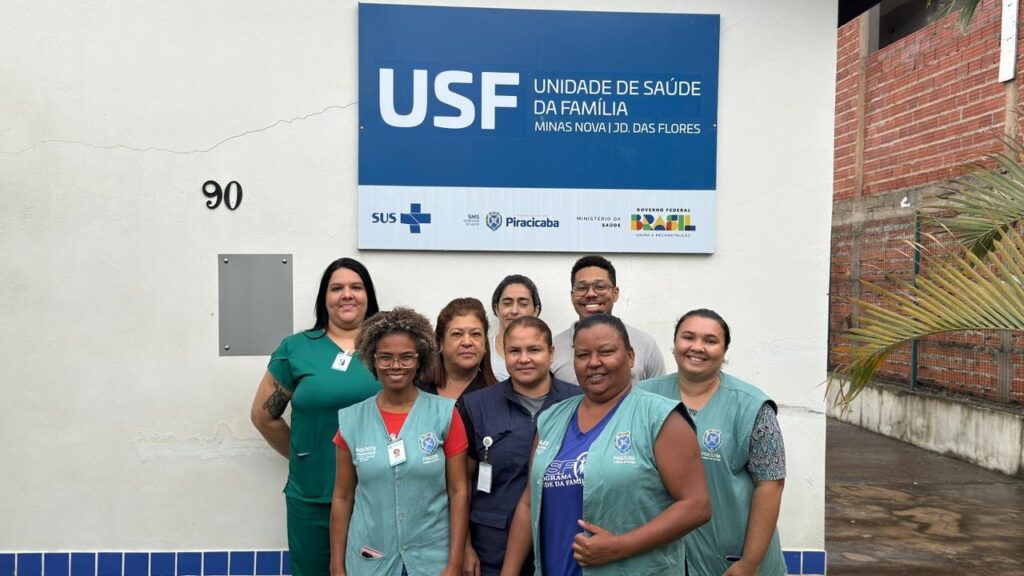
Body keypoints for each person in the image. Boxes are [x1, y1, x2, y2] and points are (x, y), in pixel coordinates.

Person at [501, 314, 710, 576]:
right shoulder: (551, 419)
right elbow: (529, 503)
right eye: (583, 354)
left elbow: (697, 506)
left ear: (630, 356)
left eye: (606, 352)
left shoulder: (659, 418)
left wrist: (620, 546)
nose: (594, 363)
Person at [250, 257, 382, 576]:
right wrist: (302, 455)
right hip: (313, 496)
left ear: (369, 296)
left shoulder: (388, 349)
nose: (347, 294)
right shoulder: (297, 349)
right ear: (325, 298)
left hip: (375, 497)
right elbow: (263, 416)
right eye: (337, 288)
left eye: (356, 287)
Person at [638, 309, 787, 576]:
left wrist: (749, 563)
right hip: (661, 554)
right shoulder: (642, 397)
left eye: (710, 340)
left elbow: (771, 485)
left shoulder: (752, 406)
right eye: (688, 337)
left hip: (732, 558)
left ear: (724, 350)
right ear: (674, 346)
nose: (697, 347)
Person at [329, 307, 470, 576]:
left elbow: (459, 492)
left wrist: (454, 562)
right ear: (373, 359)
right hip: (370, 559)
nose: (396, 365)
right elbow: (343, 496)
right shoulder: (351, 421)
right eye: (386, 358)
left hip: (432, 561)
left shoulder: (445, 414)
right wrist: (337, 566)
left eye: (406, 357)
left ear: (421, 360)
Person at [459, 317, 581, 576]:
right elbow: (460, 485)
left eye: (534, 350)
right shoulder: (475, 406)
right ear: (504, 354)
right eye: (514, 351)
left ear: (551, 353)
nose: (524, 358)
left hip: (561, 544)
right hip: (492, 549)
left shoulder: (579, 403)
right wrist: (464, 547)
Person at [551, 255, 666, 385]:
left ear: (615, 293)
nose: (591, 294)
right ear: (572, 296)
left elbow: (658, 397)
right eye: (582, 288)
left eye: (600, 287)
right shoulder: (553, 348)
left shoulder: (646, 345)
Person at [419, 297, 497, 399]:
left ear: (485, 343)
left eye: (475, 334)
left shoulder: (498, 397)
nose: (467, 342)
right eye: (457, 334)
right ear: (440, 342)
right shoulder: (416, 391)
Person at [488, 275, 543, 381]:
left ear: (536, 310)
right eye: (507, 303)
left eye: (523, 304)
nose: (514, 311)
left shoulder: (546, 351)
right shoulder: (484, 349)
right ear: (496, 308)